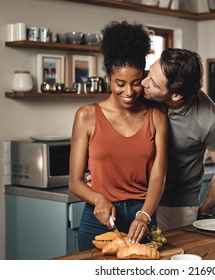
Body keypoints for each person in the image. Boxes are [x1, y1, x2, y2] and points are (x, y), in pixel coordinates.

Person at [69, 21, 168, 251]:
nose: (129, 92)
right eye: (120, 83)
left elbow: (158, 176)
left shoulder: (156, 118)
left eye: (135, 83)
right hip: (99, 217)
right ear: (108, 77)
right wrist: (98, 199)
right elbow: (74, 181)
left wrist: (144, 215)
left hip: (142, 217)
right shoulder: (86, 116)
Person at [141, 48, 215, 230]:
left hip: (176, 204)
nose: (143, 82)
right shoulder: (142, 92)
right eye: (148, 73)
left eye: (152, 82)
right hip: (134, 197)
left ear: (176, 95)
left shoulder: (210, 121)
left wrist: (205, 210)